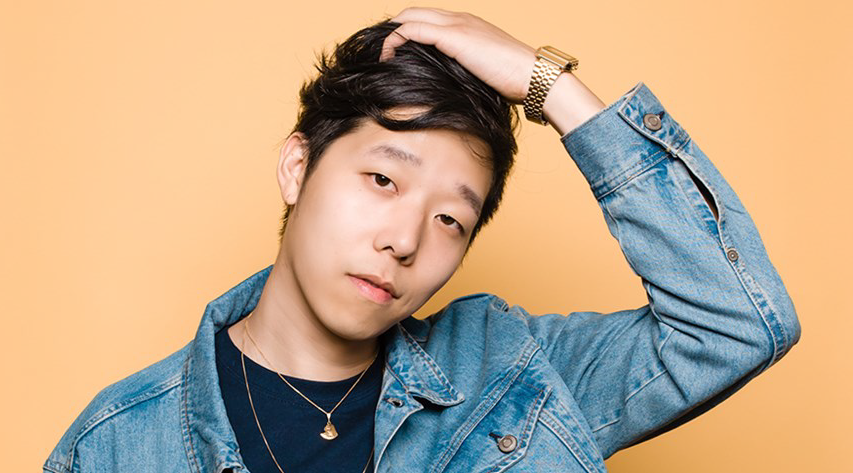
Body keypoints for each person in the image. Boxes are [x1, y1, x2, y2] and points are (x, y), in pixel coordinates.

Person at [44, 7, 800, 473]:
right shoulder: (118, 444)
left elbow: (736, 325)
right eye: (383, 179)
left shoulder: (512, 373)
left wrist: (549, 86)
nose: (404, 240)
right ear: (298, 167)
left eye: (450, 221)